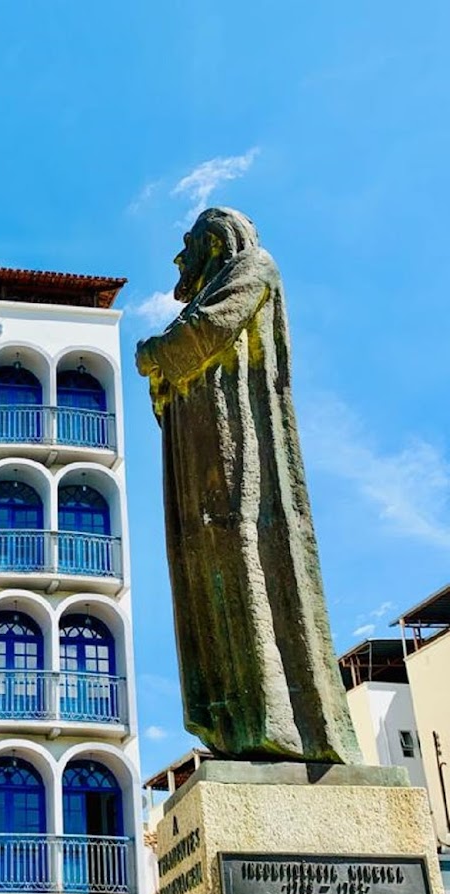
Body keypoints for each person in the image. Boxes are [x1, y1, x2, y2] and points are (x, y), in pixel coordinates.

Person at [135, 207, 360, 763]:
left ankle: (278, 719)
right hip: (198, 449)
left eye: (186, 244)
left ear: (213, 243)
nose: (176, 258)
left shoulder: (252, 267)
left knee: (244, 559)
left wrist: (153, 354)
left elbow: (196, 337)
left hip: (238, 449)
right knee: (204, 571)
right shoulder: (209, 289)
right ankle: (232, 717)